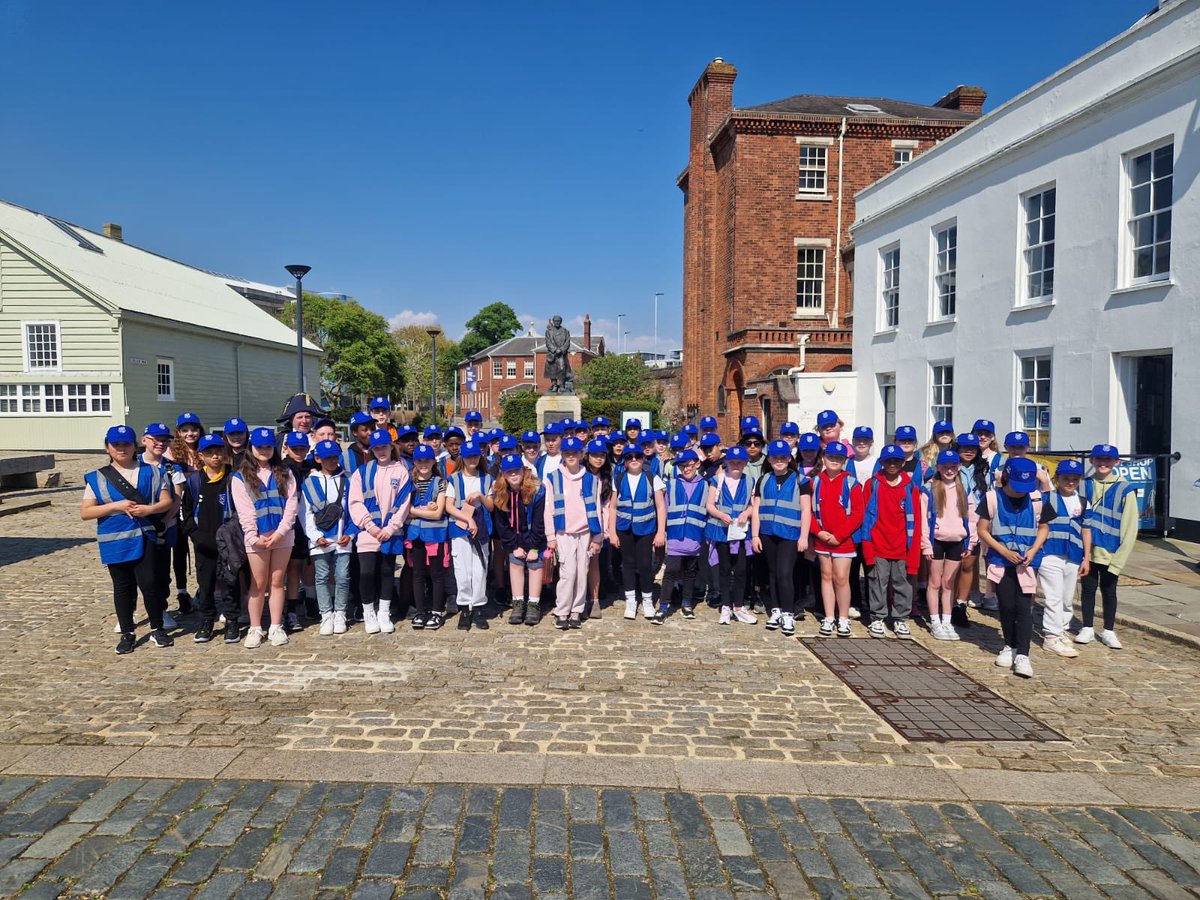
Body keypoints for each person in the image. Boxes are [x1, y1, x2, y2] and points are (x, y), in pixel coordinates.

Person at [82, 425, 176, 653]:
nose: (122, 448)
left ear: (135, 446)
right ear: (108, 448)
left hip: (146, 537)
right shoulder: (97, 478)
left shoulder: (154, 472)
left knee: (150, 584)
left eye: (126, 444)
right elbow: (86, 512)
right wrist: (116, 506)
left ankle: (157, 628)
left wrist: (149, 510)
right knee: (122, 587)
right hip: (115, 540)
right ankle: (127, 632)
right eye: (116, 445)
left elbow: (167, 501)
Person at [977, 457, 1054, 678]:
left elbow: (1044, 528)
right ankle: (1009, 645)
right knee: (1007, 605)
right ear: (1007, 478)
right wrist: (1002, 551)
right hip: (1001, 562)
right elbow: (982, 529)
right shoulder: (992, 498)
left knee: (1024, 607)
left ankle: (1023, 653)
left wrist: (1033, 550)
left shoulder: (1037, 498)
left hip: (1027, 562)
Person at [231, 427, 299, 648]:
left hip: (283, 536)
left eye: (268, 446)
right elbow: (245, 510)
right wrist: (252, 536)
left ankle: (276, 626)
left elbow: (291, 505)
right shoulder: (240, 477)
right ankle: (255, 627)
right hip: (257, 538)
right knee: (258, 584)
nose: (264, 450)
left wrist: (280, 533)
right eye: (260, 447)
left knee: (278, 582)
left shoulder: (285, 473)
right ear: (252, 448)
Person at [348, 429, 412, 635]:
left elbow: (404, 502)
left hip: (391, 531)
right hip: (369, 530)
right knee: (366, 572)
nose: (381, 451)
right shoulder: (362, 472)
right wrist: (370, 526)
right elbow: (355, 502)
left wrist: (392, 527)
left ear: (390, 447)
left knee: (387, 571)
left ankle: (384, 611)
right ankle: (368, 611)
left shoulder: (400, 470)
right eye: (376, 448)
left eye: (384, 447)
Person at [1077, 443, 1138, 648]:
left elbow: (1130, 527)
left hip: (1111, 551)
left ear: (1116, 462)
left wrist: (1120, 559)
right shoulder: (1083, 484)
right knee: (1087, 588)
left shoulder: (1124, 488)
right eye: (1099, 459)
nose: (1103, 463)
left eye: (1108, 460)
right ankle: (1087, 627)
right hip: (1087, 550)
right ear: (1092, 461)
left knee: (1109, 590)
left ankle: (1109, 630)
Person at [859, 445, 923, 639]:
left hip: (902, 546)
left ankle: (900, 619)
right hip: (877, 544)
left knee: (902, 584)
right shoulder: (872, 485)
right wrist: (867, 546)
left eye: (896, 461)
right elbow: (865, 518)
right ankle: (877, 617)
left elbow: (916, 521)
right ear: (882, 463)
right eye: (888, 461)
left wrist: (914, 552)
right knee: (878, 583)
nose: (892, 465)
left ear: (903, 463)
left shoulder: (910, 487)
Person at [752, 440, 812, 637]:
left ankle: (788, 613)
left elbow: (805, 510)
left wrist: (804, 536)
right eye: (775, 457)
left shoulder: (800, 481)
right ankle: (775, 610)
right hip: (768, 533)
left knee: (785, 573)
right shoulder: (763, 480)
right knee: (772, 572)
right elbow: (756, 510)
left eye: (783, 457)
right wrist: (755, 535)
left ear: (789, 458)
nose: (779, 460)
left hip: (790, 534)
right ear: (769, 459)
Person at [181, 434, 237, 644]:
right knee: (205, 585)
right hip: (204, 543)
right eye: (210, 452)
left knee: (230, 583)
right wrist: (196, 535)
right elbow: (184, 512)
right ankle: (206, 620)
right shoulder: (195, 481)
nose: (215, 456)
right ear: (200, 455)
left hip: (228, 543)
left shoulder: (232, 477)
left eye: (218, 451)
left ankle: (232, 620)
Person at [544, 437, 604, 629]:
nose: (571, 457)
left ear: (581, 455)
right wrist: (550, 537)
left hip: (585, 532)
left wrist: (597, 537)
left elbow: (597, 509)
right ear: (562, 455)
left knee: (582, 572)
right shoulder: (553, 478)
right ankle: (561, 611)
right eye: (567, 453)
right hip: (563, 532)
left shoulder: (592, 480)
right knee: (567, 573)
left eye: (574, 453)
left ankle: (577, 610)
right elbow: (548, 509)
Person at [301, 439, 356, 636]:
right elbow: (304, 513)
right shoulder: (309, 483)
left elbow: (353, 510)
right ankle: (326, 613)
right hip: (320, 540)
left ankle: (340, 612)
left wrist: (350, 534)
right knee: (322, 577)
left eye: (334, 456)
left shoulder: (346, 480)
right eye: (327, 458)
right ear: (317, 459)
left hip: (342, 539)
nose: (332, 461)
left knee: (342, 576)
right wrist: (315, 537)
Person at [921, 449, 976, 641]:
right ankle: (935, 620)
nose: (949, 470)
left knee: (949, 583)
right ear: (938, 467)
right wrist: (926, 544)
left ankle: (947, 620)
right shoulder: (929, 488)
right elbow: (923, 520)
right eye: (945, 466)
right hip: (936, 540)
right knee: (935, 582)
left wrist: (971, 542)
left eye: (953, 466)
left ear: (959, 467)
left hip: (957, 540)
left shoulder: (964, 489)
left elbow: (971, 519)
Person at [810, 441, 864, 637]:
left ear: (844, 461)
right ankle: (829, 616)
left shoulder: (852, 484)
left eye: (839, 458)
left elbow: (858, 514)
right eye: (831, 457)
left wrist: (839, 536)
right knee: (826, 576)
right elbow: (807, 511)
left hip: (843, 540)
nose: (834, 461)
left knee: (841, 578)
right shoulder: (815, 482)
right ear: (824, 459)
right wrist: (818, 532)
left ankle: (843, 618)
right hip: (822, 537)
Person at [1039, 459, 1092, 658]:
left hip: (1073, 555)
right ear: (1057, 478)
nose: (1070, 482)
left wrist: (1087, 558)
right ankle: (1051, 637)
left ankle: (1061, 629)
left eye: (1074, 479)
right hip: (1050, 553)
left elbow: (1086, 530)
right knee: (1054, 596)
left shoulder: (1083, 502)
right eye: (1066, 478)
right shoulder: (1046, 498)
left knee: (1067, 597)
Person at [607, 444, 667, 619]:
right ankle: (631, 600)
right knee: (627, 564)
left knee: (645, 564)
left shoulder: (652, 478)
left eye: (637, 456)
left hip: (646, 528)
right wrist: (612, 531)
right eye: (629, 457)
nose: (634, 460)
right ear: (624, 461)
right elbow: (612, 507)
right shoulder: (618, 478)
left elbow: (660, 507)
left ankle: (647, 600)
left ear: (643, 459)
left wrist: (660, 532)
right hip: (624, 528)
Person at [705, 445, 758, 627]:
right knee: (725, 569)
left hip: (741, 531)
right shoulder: (717, 480)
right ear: (726, 462)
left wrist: (746, 513)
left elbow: (754, 505)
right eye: (732, 461)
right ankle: (726, 606)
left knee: (742, 569)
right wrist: (721, 515)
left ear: (745, 463)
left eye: (739, 462)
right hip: (722, 529)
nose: (735, 464)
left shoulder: (751, 481)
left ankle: (739, 606)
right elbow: (710, 504)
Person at [492, 454, 548, 626]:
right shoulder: (499, 492)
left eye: (516, 471)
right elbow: (502, 524)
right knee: (515, 562)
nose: (513, 475)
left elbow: (540, 521)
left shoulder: (538, 490)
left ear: (523, 471)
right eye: (509, 473)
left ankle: (533, 603)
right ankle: (518, 603)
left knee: (534, 564)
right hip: (515, 536)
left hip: (535, 534)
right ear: (504, 475)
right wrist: (513, 546)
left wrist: (534, 547)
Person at [656, 449, 708, 622]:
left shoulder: (705, 484)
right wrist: (661, 532)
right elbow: (663, 509)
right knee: (671, 570)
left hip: (695, 535)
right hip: (675, 535)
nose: (686, 469)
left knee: (690, 571)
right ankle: (663, 606)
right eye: (682, 466)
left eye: (690, 465)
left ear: (697, 464)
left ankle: (687, 603)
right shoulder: (671, 484)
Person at [447, 441, 494, 630]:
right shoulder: (454, 479)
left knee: (480, 569)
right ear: (462, 458)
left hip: (481, 530)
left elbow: (491, 506)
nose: (472, 459)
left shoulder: (487, 478)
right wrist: (468, 520)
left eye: (475, 456)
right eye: (468, 456)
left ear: (480, 456)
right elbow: (449, 506)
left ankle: (479, 607)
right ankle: (465, 608)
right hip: (459, 529)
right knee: (462, 571)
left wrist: (480, 497)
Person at [405, 445, 449, 630]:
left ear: (433, 461)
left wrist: (414, 511)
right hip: (415, 534)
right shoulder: (408, 482)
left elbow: (438, 513)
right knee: (418, 573)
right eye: (419, 461)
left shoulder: (441, 482)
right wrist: (422, 510)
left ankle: (437, 611)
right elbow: (404, 510)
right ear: (415, 462)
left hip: (436, 533)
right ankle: (420, 611)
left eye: (427, 460)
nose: (423, 464)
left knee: (437, 574)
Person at [951, 434, 989, 629]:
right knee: (953, 567)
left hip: (976, 523)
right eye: (964, 447)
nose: (968, 451)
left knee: (968, 565)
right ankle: (948, 604)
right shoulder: (951, 467)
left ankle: (960, 605)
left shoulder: (982, 470)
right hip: (953, 521)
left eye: (973, 448)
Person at [167, 412, 204, 611]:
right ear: (179, 432)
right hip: (180, 505)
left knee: (201, 549)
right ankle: (182, 591)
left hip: (202, 504)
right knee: (179, 550)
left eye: (194, 429)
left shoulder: (205, 448)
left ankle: (202, 588)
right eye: (185, 430)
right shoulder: (172, 453)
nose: (190, 434)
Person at [281, 431, 316, 631]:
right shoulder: (281, 469)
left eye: (303, 448)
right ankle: (278, 610)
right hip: (287, 524)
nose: (299, 452)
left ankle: (292, 611)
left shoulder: (310, 467)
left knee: (295, 569)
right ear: (286, 448)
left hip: (305, 525)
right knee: (279, 573)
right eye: (295, 449)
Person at [584, 440, 615, 619]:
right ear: (587, 456)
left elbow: (610, 506)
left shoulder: (606, 476)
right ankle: (579, 598)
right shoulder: (581, 473)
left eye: (602, 455)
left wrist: (607, 531)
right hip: (581, 524)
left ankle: (594, 600)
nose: (598, 459)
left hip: (599, 525)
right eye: (595, 455)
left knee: (595, 563)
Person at [343, 411, 375, 476]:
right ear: (355, 432)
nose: (370, 433)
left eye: (372, 429)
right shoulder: (346, 456)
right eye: (365, 430)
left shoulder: (381, 451)